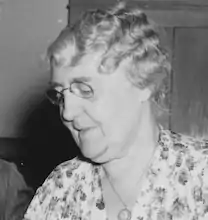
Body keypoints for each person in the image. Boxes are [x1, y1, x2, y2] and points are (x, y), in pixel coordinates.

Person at [23, 1, 208, 220]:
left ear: (143, 83)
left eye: (84, 89)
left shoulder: (201, 174)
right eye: (60, 95)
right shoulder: (60, 188)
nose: (67, 112)